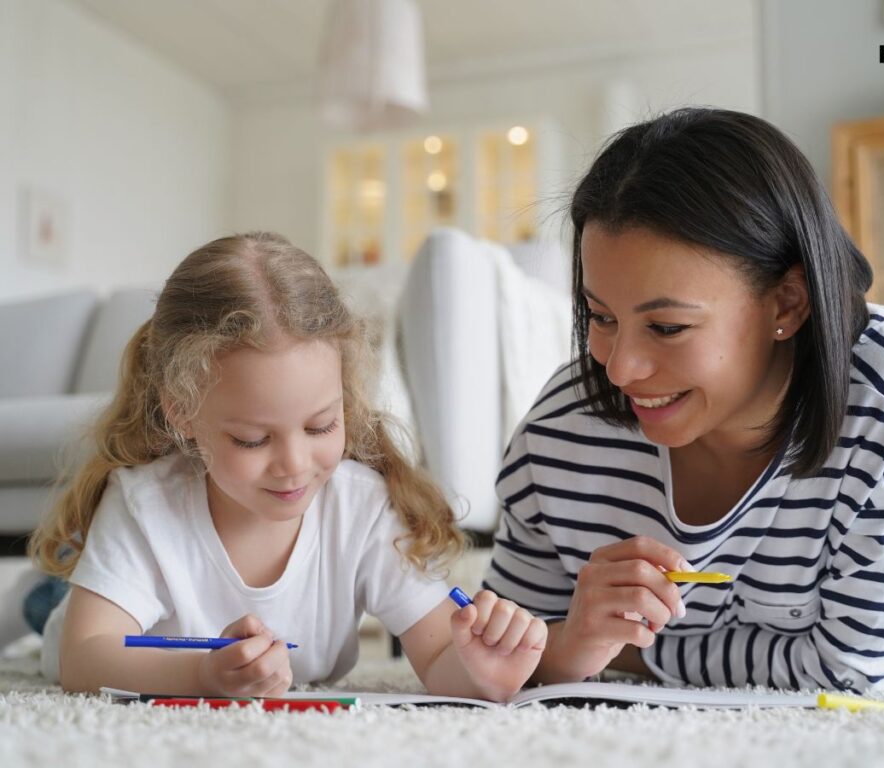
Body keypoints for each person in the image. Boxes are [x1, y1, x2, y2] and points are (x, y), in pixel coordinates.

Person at [483, 107, 884, 693]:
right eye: (602, 316)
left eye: (666, 327)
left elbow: (849, 671)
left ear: (787, 304)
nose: (619, 368)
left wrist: (619, 654)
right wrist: (569, 646)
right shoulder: (560, 431)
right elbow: (497, 656)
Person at [29, 232, 546, 701]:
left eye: (321, 426)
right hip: (85, 621)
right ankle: (32, 593)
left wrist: (483, 667)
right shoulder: (144, 503)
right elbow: (82, 657)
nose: (295, 467)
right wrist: (201, 676)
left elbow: (438, 657)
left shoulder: (362, 507)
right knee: (46, 607)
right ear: (182, 412)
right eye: (253, 440)